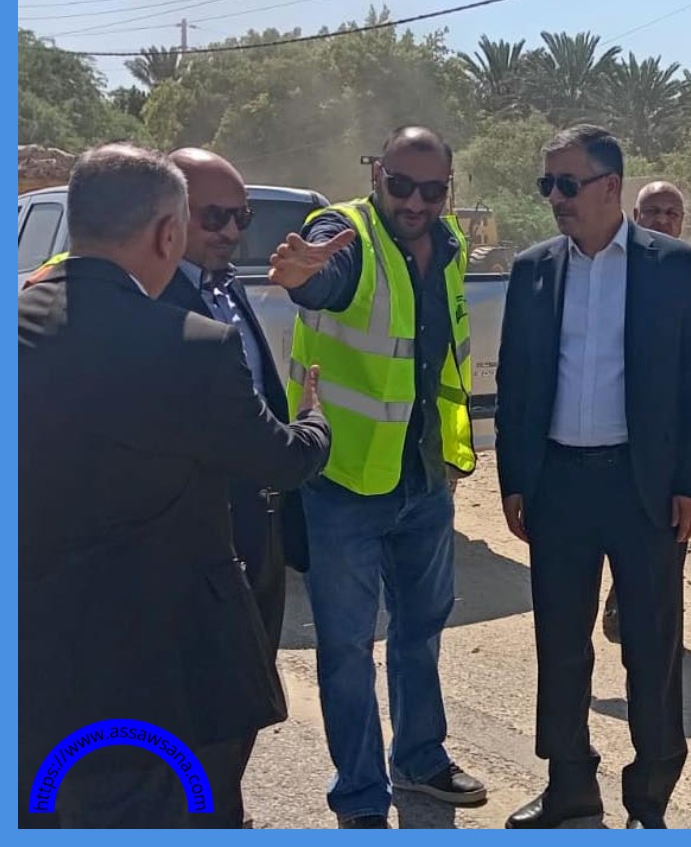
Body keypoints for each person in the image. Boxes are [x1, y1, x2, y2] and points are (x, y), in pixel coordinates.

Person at [18, 144, 331, 828]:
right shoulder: (193, 345)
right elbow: (280, 460)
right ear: (168, 233)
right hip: (150, 654)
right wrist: (314, 422)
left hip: (34, 648)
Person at [496, 125, 691, 830]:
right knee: (561, 644)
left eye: (568, 183)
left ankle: (649, 799)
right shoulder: (534, 269)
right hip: (559, 485)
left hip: (643, 487)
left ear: (610, 187)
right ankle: (569, 783)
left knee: (651, 648)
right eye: (548, 184)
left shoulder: (673, 265)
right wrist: (515, 479)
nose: (555, 197)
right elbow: (517, 383)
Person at [267, 125, 485, 828]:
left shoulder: (449, 245)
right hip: (344, 484)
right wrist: (303, 276)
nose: (416, 202)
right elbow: (322, 278)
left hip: (422, 477)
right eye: (401, 185)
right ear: (376, 176)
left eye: (432, 189)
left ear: (448, 188)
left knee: (422, 627)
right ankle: (361, 798)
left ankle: (419, 759)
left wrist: (446, 461)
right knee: (347, 646)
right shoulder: (344, 234)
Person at [155, 147, 312, 828]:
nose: (230, 231)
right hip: (197, 541)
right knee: (203, 707)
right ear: (168, 217)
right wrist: (310, 429)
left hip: (258, 530)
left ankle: (221, 811)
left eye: (240, 217)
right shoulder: (151, 298)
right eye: (213, 217)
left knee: (248, 695)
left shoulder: (226, 286)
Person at [599, 179, 691, 644]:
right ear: (635, 216)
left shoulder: (685, 270)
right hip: (615, 435)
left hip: (672, 437)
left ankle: (654, 636)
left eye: (671, 213)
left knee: (666, 533)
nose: (662, 220)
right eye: (653, 211)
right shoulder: (611, 268)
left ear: (682, 223)